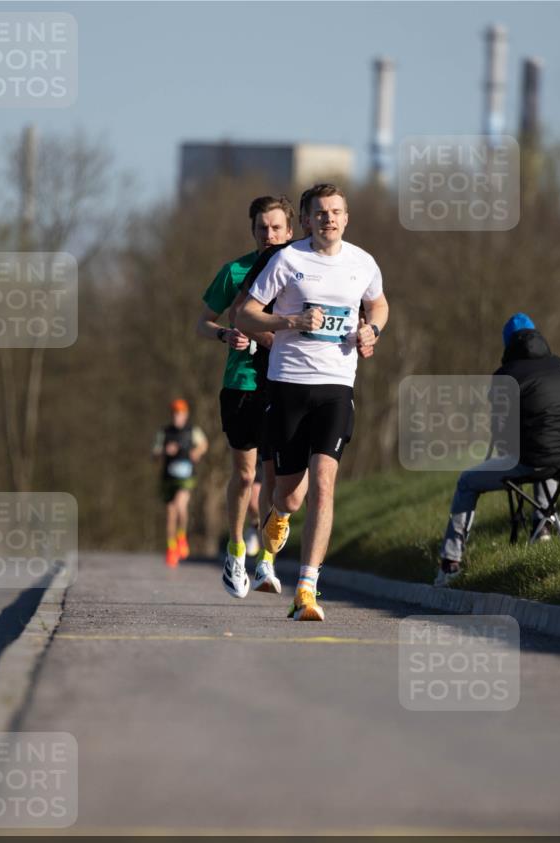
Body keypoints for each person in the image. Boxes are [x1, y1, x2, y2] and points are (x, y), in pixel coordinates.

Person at [236, 183, 389, 621]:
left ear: (347, 217)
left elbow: (378, 306)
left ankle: (306, 588)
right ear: (306, 220)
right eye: (320, 213)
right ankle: (276, 517)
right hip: (288, 385)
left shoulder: (363, 263)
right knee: (291, 496)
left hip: (337, 387)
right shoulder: (288, 260)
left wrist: (371, 331)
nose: (329, 219)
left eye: (336, 212)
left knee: (325, 483)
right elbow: (246, 312)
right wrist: (290, 320)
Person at [435, 313, 560, 586]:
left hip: (536, 462)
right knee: (548, 453)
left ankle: (450, 563)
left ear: (508, 345)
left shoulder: (505, 376)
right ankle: (542, 528)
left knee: (468, 482)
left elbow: (503, 436)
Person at [196, 195, 294, 598]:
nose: (268, 235)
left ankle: (266, 562)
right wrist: (223, 334)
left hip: (284, 382)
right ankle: (237, 548)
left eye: (276, 228)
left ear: (291, 231)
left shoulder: (301, 271)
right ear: (252, 231)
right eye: (261, 228)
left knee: (275, 478)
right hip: (241, 385)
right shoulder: (234, 271)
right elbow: (201, 321)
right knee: (246, 474)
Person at [153, 399, 208, 567]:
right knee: (170, 512)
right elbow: (154, 454)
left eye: (181, 413)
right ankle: (171, 547)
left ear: (186, 414)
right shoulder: (164, 432)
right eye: (175, 413)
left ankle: (182, 536)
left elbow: (204, 444)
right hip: (168, 477)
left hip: (186, 476)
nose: (178, 417)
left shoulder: (193, 431)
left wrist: (196, 452)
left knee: (180, 505)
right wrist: (164, 451)